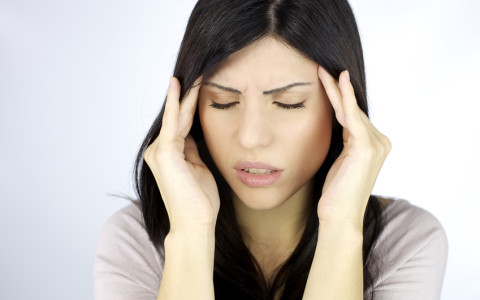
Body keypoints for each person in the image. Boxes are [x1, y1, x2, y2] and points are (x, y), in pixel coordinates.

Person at [94, 0, 448, 299]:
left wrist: (341, 226)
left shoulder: (405, 243)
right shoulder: (135, 242)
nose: (251, 137)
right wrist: (190, 233)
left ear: (343, 109)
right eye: (222, 102)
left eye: (289, 103)